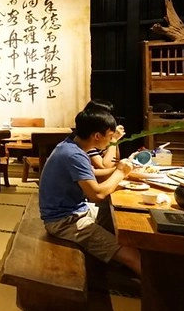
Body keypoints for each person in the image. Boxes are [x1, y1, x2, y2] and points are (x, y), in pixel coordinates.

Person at [38, 106, 141, 276]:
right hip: (64, 222)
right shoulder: (74, 155)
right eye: (110, 136)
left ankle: (112, 263)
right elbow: (97, 194)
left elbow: (93, 174)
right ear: (97, 136)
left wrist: (125, 171)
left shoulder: (70, 146)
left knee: (119, 218)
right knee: (134, 255)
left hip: (77, 211)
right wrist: (120, 172)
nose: (111, 140)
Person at [83, 99, 123, 179]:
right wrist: (113, 140)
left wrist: (113, 139)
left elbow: (115, 161)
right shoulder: (87, 140)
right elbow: (105, 166)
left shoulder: (101, 138)